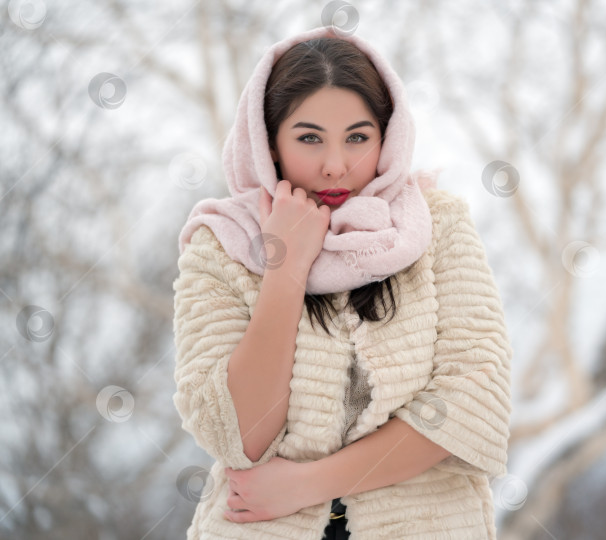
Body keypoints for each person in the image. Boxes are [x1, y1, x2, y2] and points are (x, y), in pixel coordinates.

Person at [172, 25, 512, 539]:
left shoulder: (434, 225)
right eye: (309, 138)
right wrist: (285, 267)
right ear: (270, 145)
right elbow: (236, 434)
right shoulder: (221, 245)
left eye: (358, 137)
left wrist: (308, 484)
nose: (336, 166)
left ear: (387, 137)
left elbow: (471, 404)